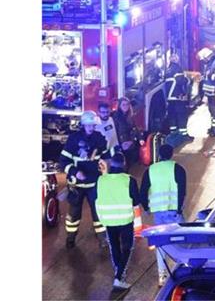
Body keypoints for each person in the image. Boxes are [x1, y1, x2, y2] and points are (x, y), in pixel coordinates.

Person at [60, 110, 109, 248]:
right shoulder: (73, 140)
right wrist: (75, 172)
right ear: (83, 125)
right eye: (89, 125)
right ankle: (70, 238)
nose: (91, 128)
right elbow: (63, 161)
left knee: (98, 212)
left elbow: (106, 157)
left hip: (94, 183)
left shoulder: (99, 139)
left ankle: (102, 239)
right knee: (73, 214)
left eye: (93, 125)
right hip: (77, 185)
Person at [139, 144, 187, 287]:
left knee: (161, 243)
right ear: (172, 154)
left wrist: (146, 207)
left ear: (159, 154)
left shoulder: (151, 170)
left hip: (158, 213)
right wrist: (179, 209)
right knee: (183, 240)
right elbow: (182, 191)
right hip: (174, 212)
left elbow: (143, 191)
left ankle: (162, 275)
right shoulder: (178, 169)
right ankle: (184, 269)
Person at [95, 152, 141, 291]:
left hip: (108, 219)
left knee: (114, 246)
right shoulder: (129, 180)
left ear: (111, 164)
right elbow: (136, 201)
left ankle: (118, 272)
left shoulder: (101, 180)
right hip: (125, 219)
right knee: (127, 247)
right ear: (124, 163)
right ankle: (119, 277)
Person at [164, 52, 192, 142]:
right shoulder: (177, 68)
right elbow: (180, 81)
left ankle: (174, 134)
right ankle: (183, 135)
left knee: (172, 116)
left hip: (170, 98)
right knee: (182, 115)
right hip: (177, 96)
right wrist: (188, 80)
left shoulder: (168, 69)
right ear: (175, 59)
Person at [113, 97, 141, 166]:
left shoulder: (131, 116)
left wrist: (132, 141)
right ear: (119, 106)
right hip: (121, 145)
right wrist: (121, 144)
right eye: (123, 105)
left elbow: (134, 129)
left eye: (127, 104)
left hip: (131, 143)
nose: (126, 106)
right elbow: (116, 131)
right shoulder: (115, 117)